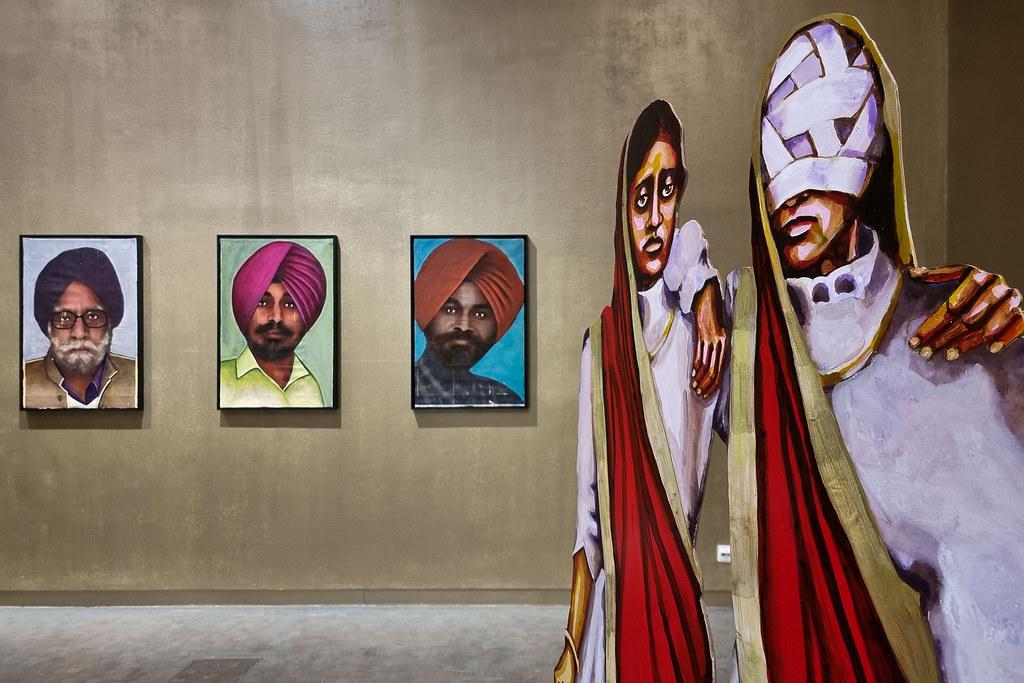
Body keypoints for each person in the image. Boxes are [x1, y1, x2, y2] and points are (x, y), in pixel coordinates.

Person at [725, 15, 1024, 682]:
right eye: (780, 165)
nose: (792, 196)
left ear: (866, 167)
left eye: (819, 162)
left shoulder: (959, 330)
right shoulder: (743, 332)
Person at [554, 100, 728, 683]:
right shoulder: (601, 346)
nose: (655, 219)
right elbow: (588, 521)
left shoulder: (707, 335)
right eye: (640, 198)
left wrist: (705, 285)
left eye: (668, 191)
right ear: (621, 207)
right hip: (615, 623)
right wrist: (571, 646)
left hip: (679, 610)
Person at [412, 238, 525, 407]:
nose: (464, 326)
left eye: (480, 314)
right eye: (450, 310)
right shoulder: (401, 390)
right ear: (428, 312)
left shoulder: (503, 399)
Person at [23, 247, 138, 409]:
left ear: (109, 326)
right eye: (64, 318)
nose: (79, 333)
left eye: (93, 316)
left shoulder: (137, 378)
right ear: (48, 327)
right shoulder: (23, 382)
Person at [219, 240, 328, 408]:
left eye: (289, 304)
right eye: (263, 303)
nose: (276, 317)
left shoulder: (310, 388)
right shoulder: (221, 382)